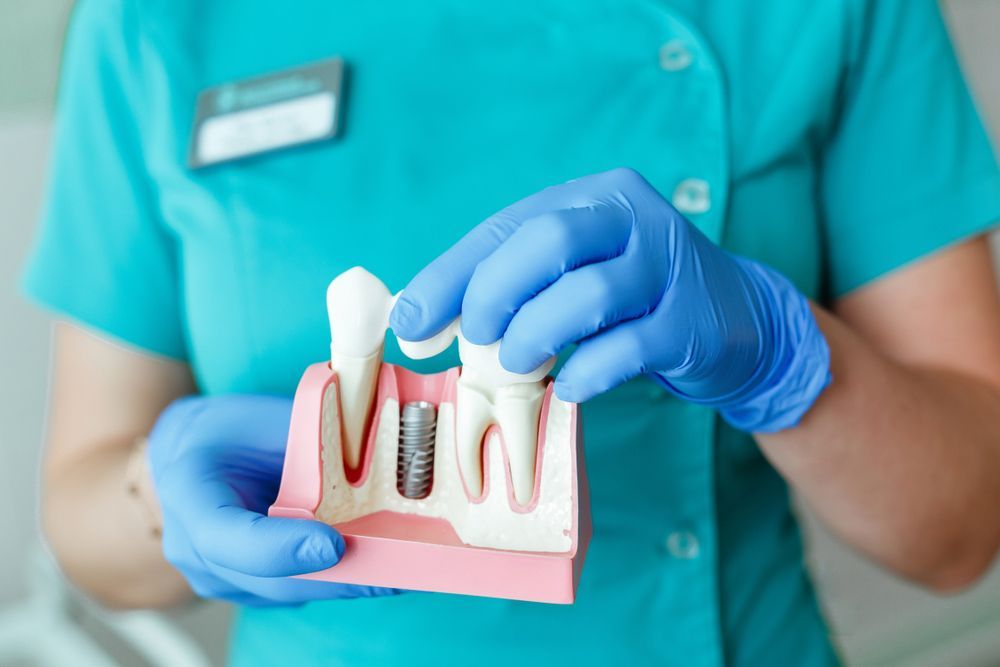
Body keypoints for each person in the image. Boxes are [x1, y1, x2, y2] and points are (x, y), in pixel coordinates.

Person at [22, 0, 1000, 664]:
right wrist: (157, 496)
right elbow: (81, 513)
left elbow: (963, 529)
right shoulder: (149, 20)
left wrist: (787, 361)